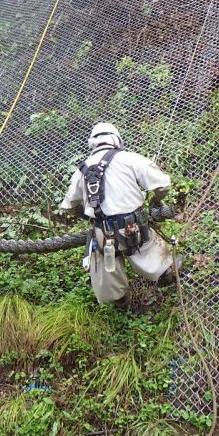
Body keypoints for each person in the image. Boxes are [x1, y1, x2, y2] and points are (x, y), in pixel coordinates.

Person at [60, 123, 180, 307]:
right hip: (135, 227)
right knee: (151, 253)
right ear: (116, 139)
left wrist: (86, 216)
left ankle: (121, 303)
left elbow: (69, 206)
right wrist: (155, 202)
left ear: (92, 143)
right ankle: (167, 275)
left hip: (102, 234)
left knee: (106, 269)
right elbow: (162, 185)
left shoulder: (81, 171)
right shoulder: (129, 159)